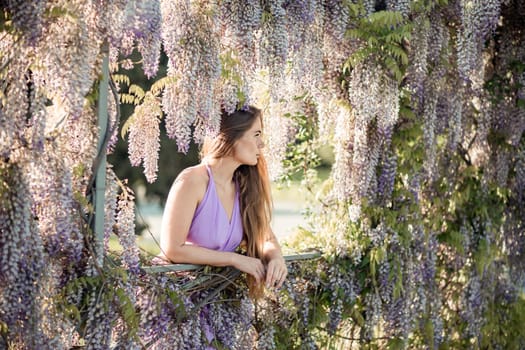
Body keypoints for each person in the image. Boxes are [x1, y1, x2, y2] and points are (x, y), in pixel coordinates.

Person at [158, 106, 288, 298]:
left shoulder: (243, 187)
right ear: (232, 136)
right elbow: (173, 249)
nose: (262, 144)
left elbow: (266, 238)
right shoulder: (193, 181)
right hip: (174, 295)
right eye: (256, 134)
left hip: (215, 299)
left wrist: (276, 257)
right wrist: (233, 259)